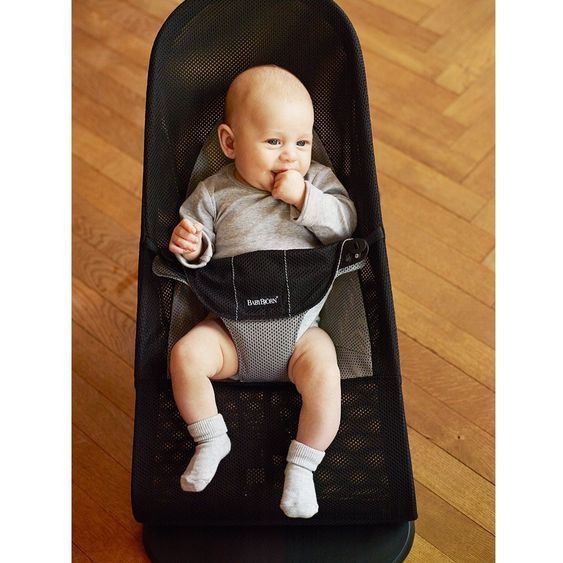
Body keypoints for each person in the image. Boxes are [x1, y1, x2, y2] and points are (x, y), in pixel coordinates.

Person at [168, 65, 357, 519]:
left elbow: (346, 224)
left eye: (302, 143)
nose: (290, 156)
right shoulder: (213, 192)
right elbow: (198, 246)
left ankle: (303, 467)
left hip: (301, 334)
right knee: (186, 356)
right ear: (230, 143)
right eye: (274, 142)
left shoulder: (317, 182)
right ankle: (211, 437)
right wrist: (191, 245)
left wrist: (304, 198)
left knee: (325, 374)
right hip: (230, 334)